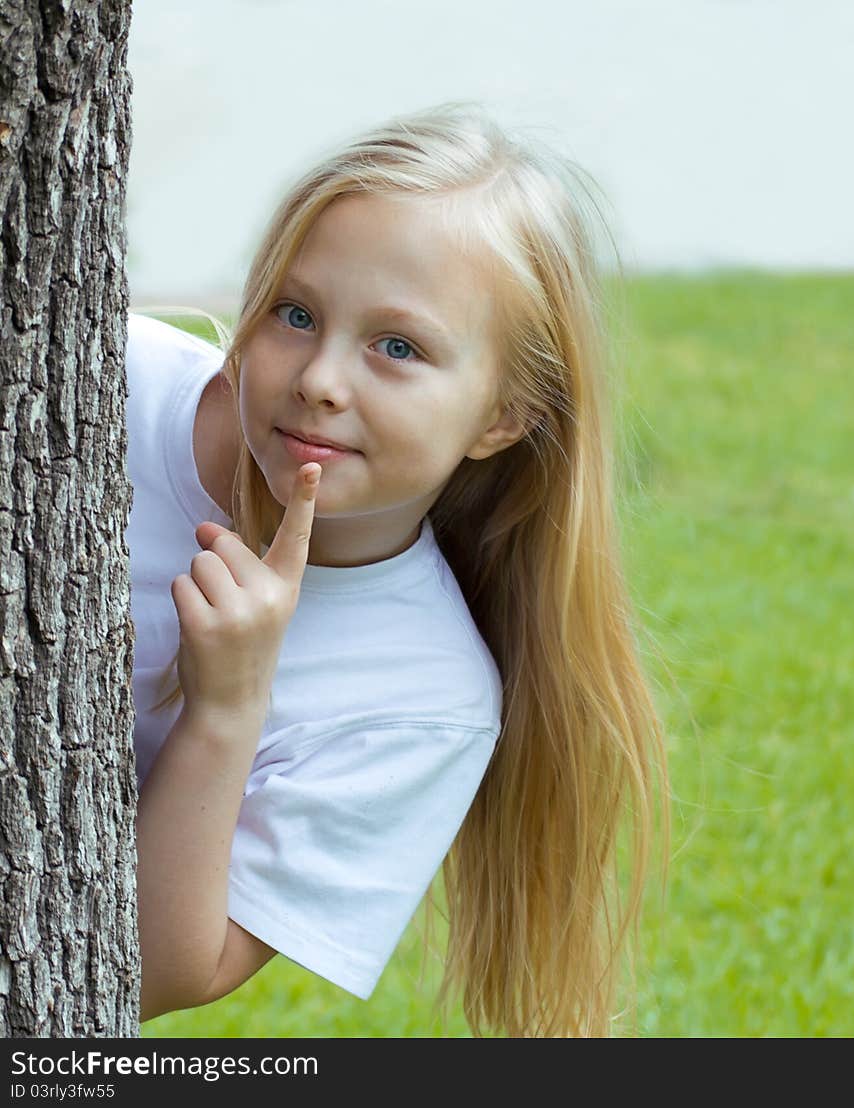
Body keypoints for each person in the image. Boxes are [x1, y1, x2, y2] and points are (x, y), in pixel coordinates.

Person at [126, 99, 669, 1038]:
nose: (321, 378)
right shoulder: (107, 388)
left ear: (506, 415)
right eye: (295, 314)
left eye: (398, 347)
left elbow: (147, 978)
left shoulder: (421, 698)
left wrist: (226, 711)